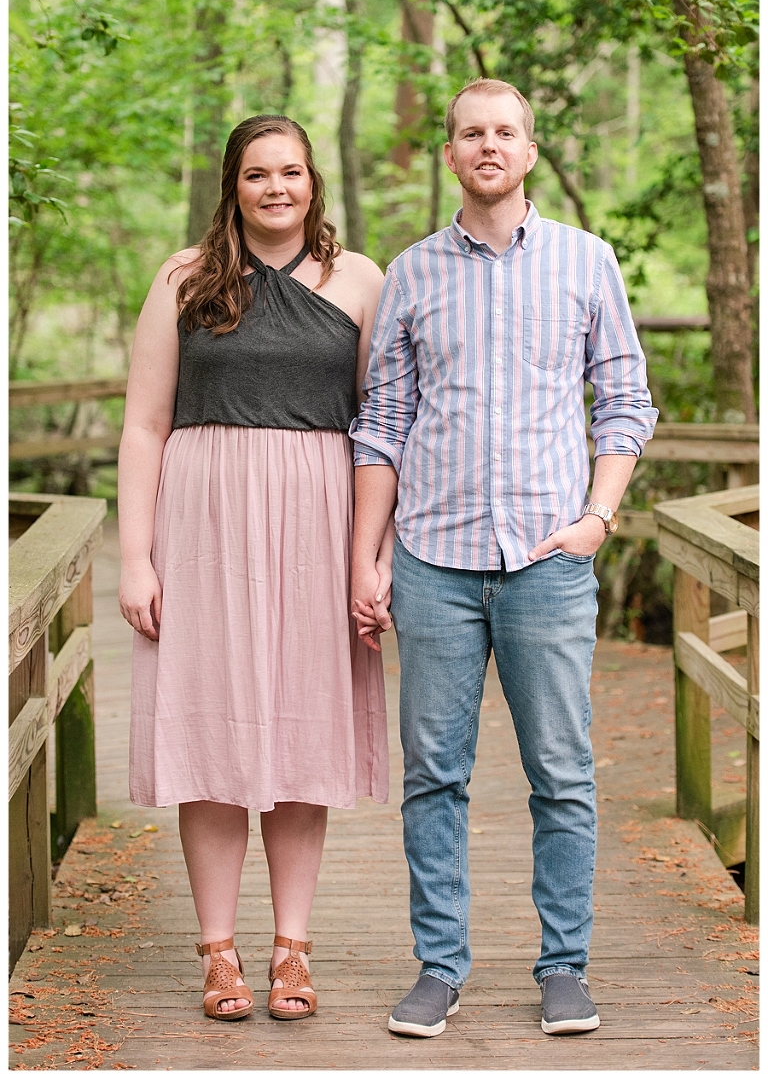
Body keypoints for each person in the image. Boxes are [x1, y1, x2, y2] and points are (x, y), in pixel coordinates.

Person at [350, 78, 658, 1038]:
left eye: (505, 132)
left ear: (529, 150)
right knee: (432, 772)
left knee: (561, 770)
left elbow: (624, 401)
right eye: (471, 132)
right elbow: (382, 425)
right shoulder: (409, 274)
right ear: (449, 153)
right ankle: (439, 967)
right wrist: (368, 556)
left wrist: (597, 520)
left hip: (547, 559)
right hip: (432, 559)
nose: (489, 145)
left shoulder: (585, 261)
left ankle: (564, 965)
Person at [118, 115, 389, 1023]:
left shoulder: (360, 281)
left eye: (293, 172)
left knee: (301, 733)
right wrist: (134, 556)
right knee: (212, 735)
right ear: (232, 184)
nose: (277, 187)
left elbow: (383, 426)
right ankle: (220, 950)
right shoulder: (185, 278)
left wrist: (374, 552)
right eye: (258, 174)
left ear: (314, 182)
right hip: (203, 523)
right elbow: (145, 423)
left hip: (317, 517)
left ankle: (291, 950)